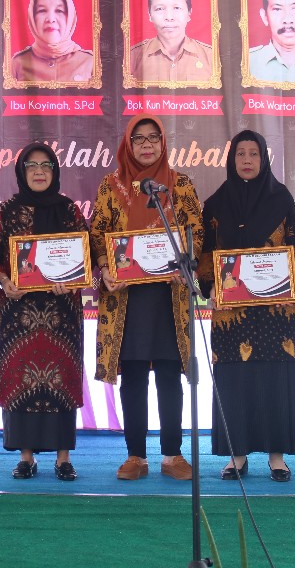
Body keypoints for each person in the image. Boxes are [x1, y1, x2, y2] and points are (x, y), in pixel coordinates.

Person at [90, 114, 203, 481]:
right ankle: (135, 456)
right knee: (134, 375)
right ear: (128, 144)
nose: (147, 144)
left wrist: (187, 260)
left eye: (153, 137)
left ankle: (172, 455)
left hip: (169, 295)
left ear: (163, 142)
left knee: (170, 374)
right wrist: (106, 267)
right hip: (127, 299)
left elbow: (196, 230)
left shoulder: (179, 184)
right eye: (138, 139)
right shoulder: (110, 186)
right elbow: (98, 234)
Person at [198, 130, 295, 482]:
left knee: (275, 377)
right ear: (231, 160)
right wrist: (210, 286)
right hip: (232, 312)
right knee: (235, 381)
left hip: (275, 310)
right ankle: (237, 456)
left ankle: (277, 457)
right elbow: (206, 253)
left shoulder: (281, 198)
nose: (247, 160)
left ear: (263, 159)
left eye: (254, 154)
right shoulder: (216, 204)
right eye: (240, 154)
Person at [0, 144, 90, 481]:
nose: (39, 171)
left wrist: (72, 281)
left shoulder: (69, 211)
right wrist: (3, 280)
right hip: (18, 314)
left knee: (60, 383)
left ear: (55, 171)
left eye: (46, 165)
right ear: (21, 171)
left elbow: (85, 254)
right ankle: (25, 456)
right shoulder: (5, 212)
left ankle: (63, 458)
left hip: (61, 315)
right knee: (20, 381)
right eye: (32, 165)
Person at [10, 0, 94, 83]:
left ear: (70, 17)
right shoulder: (18, 63)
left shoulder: (90, 62)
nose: (51, 19)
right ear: (32, 17)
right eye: (42, 10)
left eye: (59, 11)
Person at [128, 0, 215, 83]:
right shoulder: (132, 57)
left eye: (177, 8)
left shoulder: (211, 57)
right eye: (160, 9)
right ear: (149, 15)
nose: (169, 17)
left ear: (189, 13)